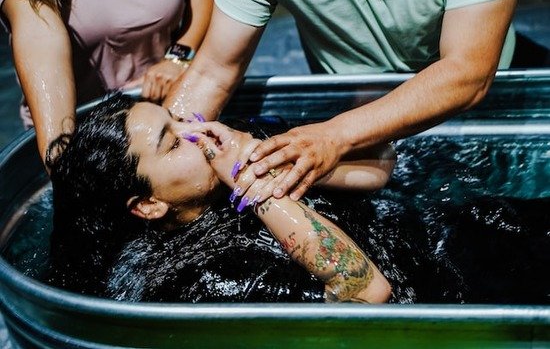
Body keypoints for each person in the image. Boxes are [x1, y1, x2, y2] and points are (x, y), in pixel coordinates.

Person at [162, 0, 521, 201]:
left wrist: (333, 136)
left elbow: (467, 72)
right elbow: (213, 72)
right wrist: (162, 142)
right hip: (350, 111)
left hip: (479, 118)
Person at [46, 93, 395, 303]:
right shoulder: (202, 280)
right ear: (149, 205)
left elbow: (382, 164)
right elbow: (366, 294)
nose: (198, 131)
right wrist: (251, 186)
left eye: (179, 118)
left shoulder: (240, 153)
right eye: (174, 143)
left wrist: (260, 155)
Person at [0, 0, 214, 166]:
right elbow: (41, 38)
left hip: (163, 106)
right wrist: (62, 162)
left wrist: (177, 58)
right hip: (84, 130)